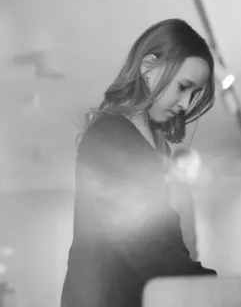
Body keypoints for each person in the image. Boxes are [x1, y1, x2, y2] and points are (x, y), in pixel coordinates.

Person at [61, 19, 217, 307]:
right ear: (147, 67)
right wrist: (213, 288)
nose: (185, 103)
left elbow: (167, 241)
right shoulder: (108, 136)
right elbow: (147, 246)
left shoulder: (158, 148)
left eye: (193, 94)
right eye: (184, 87)